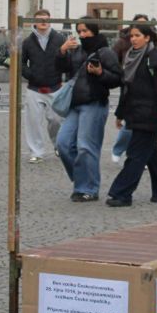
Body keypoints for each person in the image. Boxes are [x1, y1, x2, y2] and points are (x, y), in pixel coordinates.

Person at [106, 22, 157, 207]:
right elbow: (126, 89)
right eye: (131, 36)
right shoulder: (130, 56)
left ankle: (121, 193)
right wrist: (120, 114)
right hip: (134, 112)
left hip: (150, 114)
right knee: (150, 153)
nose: (133, 39)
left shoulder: (156, 58)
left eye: (137, 35)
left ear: (147, 38)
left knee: (136, 154)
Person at [56, 19, 121, 202]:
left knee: (86, 146)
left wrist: (100, 73)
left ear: (94, 31)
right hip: (74, 104)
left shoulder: (106, 52)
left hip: (94, 103)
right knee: (63, 144)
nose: (82, 34)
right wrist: (62, 52)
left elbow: (117, 79)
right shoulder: (76, 50)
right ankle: (82, 180)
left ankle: (89, 189)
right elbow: (61, 69)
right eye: (79, 31)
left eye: (85, 31)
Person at [20, 9, 64, 163]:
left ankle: (59, 145)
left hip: (55, 86)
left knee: (57, 120)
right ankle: (36, 152)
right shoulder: (27, 42)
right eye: (40, 19)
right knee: (33, 122)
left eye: (46, 19)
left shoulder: (59, 39)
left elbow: (66, 59)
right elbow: (21, 63)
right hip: (34, 88)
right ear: (35, 22)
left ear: (50, 21)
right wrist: (30, 74)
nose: (43, 22)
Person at [110, 12, 150, 163]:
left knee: (145, 125)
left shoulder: (152, 44)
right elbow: (113, 59)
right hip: (128, 84)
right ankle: (119, 149)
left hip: (146, 88)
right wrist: (121, 72)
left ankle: (142, 156)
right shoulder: (123, 42)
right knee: (128, 122)